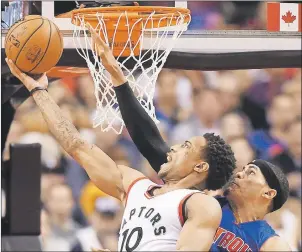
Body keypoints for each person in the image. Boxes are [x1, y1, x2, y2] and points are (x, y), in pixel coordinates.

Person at [5, 27, 236, 251]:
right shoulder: (135, 184)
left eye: (186, 147)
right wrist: (38, 91)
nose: (174, 147)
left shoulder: (200, 204)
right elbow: (77, 145)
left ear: (200, 166)